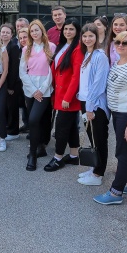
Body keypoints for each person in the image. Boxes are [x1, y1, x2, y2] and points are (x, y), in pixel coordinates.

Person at [93, 30, 127, 205]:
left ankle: (116, 192)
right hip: (117, 113)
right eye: (117, 42)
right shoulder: (118, 62)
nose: (120, 45)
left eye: (125, 43)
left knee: (122, 153)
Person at [44, 19, 83, 171]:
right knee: (72, 126)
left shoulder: (78, 48)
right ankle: (74, 155)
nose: (67, 32)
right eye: (66, 29)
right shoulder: (62, 46)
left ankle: (58, 157)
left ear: (77, 31)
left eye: (71, 29)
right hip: (60, 93)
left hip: (68, 96)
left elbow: (76, 76)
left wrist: (67, 97)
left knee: (60, 127)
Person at [76, 23, 110, 186]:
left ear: (97, 37)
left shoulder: (100, 56)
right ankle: (94, 167)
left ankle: (98, 174)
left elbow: (98, 85)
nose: (87, 39)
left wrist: (89, 107)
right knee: (92, 138)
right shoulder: (86, 55)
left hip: (95, 105)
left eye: (91, 35)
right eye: (84, 36)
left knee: (99, 138)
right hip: (85, 102)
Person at [20, 20, 56, 171]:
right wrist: (33, 90)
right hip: (30, 89)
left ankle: (32, 154)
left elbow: (51, 71)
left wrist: (41, 89)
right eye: (32, 31)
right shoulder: (26, 49)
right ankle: (40, 148)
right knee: (35, 120)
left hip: (45, 89)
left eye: (36, 30)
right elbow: (22, 71)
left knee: (34, 120)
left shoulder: (51, 47)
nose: (34, 33)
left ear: (42, 31)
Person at [1, 23, 21, 141]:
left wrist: (10, 86)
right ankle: (8, 129)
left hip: (12, 83)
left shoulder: (13, 47)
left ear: (11, 34)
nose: (4, 34)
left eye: (7, 32)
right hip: (3, 82)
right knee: (6, 107)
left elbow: (14, 68)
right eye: (3, 32)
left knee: (12, 108)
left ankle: (14, 132)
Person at [15, 18, 30, 133]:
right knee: (23, 105)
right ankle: (26, 124)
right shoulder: (15, 43)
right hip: (19, 81)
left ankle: (33, 127)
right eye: (18, 26)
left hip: (33, 82)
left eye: (22, 26)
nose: (19, 28)